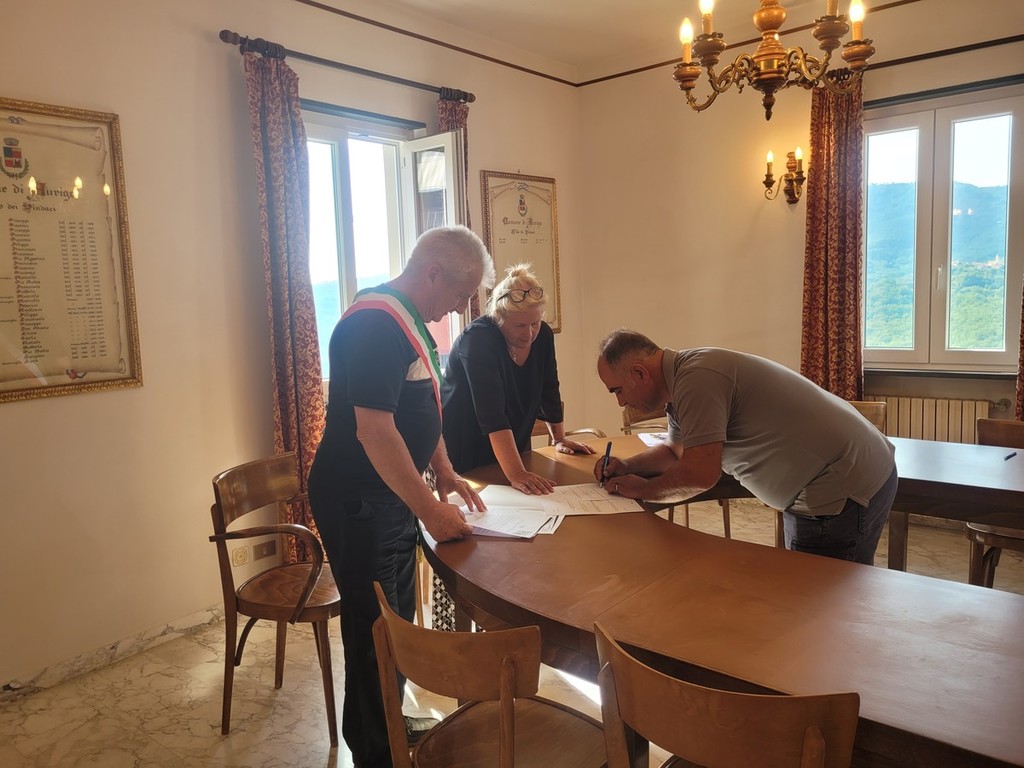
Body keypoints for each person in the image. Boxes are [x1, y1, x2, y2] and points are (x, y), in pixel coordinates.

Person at [308, 225, 495, 767]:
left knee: (398, 620)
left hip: (389, 495)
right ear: (433, 273)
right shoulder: (374, 324)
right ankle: (375, 750)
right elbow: (375, 431)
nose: (458, 308)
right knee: (374, 627)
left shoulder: (407, 322)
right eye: (459, 294)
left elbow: (419, 405)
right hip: (360, 501)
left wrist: (445, 471)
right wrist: (429, 509)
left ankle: (391, 714)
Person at [594, 329, 897, 565]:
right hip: (850, 471)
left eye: (617, 390)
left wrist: (643, 489)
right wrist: (628, 466)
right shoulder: (683, 380)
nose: (620, 402)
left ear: (639, 373)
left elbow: (700, 474)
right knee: (818, 598)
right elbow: (676, 452)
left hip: (841, 484)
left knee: (822, 607)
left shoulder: (696, 380)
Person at [441, 264, 595, 494]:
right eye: (520, 325)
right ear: (499, 318)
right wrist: (516, 473)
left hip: (509, 441)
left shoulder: (543, 336)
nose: (529, 333)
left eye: (535, 323)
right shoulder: (478, 339)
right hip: (465, 440)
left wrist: (559, 438)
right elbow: (492, 413)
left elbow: (549, 388)